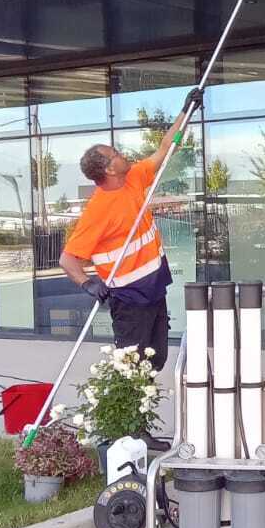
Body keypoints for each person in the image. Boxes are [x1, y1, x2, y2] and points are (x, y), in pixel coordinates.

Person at [58, 88, 202, 367]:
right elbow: (67, 259)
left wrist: (186, 112)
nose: (122, 154)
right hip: (129, 299)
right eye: (115, 154)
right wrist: (87, 283)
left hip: (155, 287)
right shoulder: (98, 211)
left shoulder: (134, 177)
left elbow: (166, 148)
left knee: (157, 359)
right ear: (109, 170)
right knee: (132, 366)